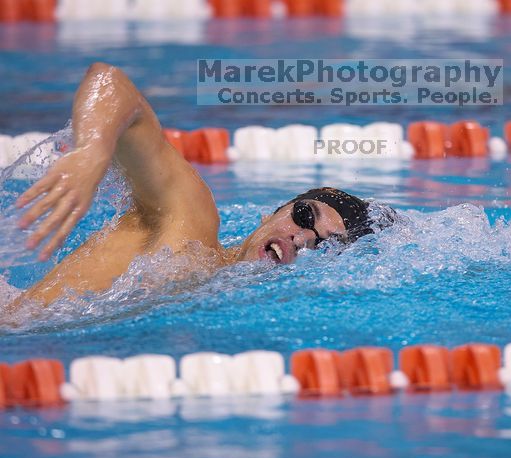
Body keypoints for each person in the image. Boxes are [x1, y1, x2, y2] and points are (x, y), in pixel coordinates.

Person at [11, 63, 388, 307]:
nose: (303, 238)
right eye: (304, 216)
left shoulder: (222, 301)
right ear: (268, 214)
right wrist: (92, 151)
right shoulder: (189, 226)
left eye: (325, 246)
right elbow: (110, 82)